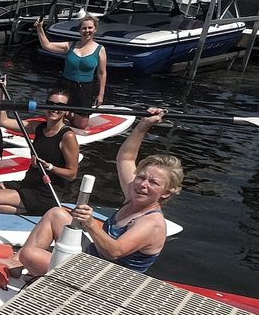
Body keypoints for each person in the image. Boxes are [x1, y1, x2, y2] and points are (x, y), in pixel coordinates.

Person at [18, 110, 180, 276]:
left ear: (166, 193)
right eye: (141, 177)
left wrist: (90, 224)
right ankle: (17, 263)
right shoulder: (134, 195)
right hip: (93, 259)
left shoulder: (152, 223)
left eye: (154, 183)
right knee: (56, 214)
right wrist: (143, 125)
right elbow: (126, 157)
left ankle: (28, 267)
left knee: (30, 255)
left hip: (106, 280)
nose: (143, 185)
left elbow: (114, 252)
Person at [0, 85, 80, 214]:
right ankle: (27, 205)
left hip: (46, 192)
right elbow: (2, 121)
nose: (54, 108)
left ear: (66, 110)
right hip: (28, 183)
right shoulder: (37, 127)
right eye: (50, 104)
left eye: (59, 105)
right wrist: (0, 92)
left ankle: (35, 210)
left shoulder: (67, 136)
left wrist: (49, 167)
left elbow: (72, 174)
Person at [36, 15, 108, 129]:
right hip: (65, 84)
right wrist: (39, 28)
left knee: (81, 125)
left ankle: (69, 114)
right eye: (84, 28)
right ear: (79, 30)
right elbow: (47, 45)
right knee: (54, 114)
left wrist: (101, 94)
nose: (87, 31)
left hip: (84, 88)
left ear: (95, 29)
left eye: (90, 28)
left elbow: (102, 73)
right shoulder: (70, 45)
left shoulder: (100, 49)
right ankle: (64, 115)